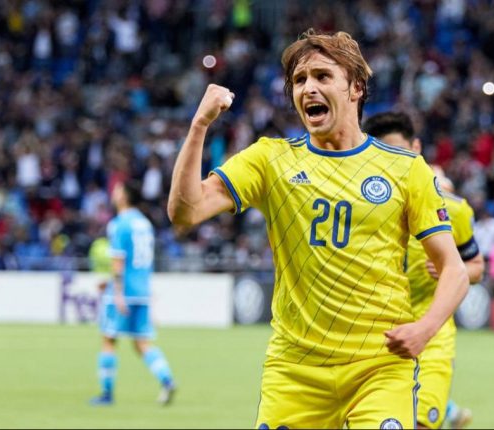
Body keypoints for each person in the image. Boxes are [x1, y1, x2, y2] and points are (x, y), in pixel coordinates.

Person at [168, 29, 469, 428]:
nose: (308, 88)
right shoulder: (270, 160)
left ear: (356, 88)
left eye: (322, 76)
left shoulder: (406, 169)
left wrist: (425, 329)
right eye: (299, 80)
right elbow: (186, 212)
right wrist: (199, 125)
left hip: (379, 366)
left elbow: (454, 269)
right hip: (296, 370)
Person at [364, 111, 483, 430]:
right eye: (382, 154)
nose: (392, 162)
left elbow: (476, 267)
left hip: (433, 335)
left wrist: (453, 270)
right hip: (376, 336)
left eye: (398, 151)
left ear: (415, 147)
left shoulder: (452, 208)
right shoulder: (360, 209)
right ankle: (450, 411)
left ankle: (442, 410)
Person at [90, 180, 176, 406]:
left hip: (124, 292)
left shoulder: (119, 224)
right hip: (143, 291)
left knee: (108, 339)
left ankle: (106, 394)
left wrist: (117, 291)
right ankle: (167, 379)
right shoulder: (144, 224)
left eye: (118, 189)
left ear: (124, 196)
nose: (114, 192)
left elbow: (119, 261)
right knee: (142, 343)